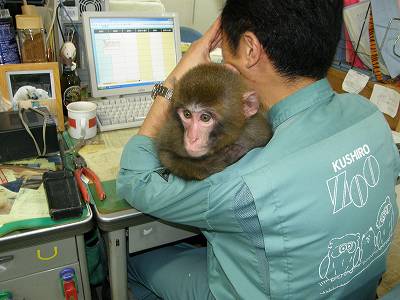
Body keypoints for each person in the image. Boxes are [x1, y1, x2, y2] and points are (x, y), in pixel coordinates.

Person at [117, 0, 400, 299]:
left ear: (250, 49)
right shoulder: (370, 116)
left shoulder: (244, 182)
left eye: (223, 52)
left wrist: (175, 82)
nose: (223, 61)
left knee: (133, 260)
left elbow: (135, 181)